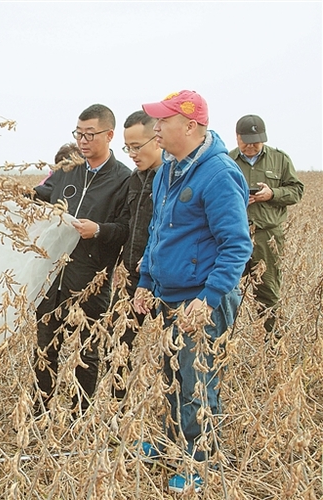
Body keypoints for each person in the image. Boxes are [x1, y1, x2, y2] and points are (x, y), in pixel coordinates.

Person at [132, 91, 253, 493]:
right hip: (168, 295)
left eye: (163, 122)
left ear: (190, 126)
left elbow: (236, 245)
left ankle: (201, 463)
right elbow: (157, 233)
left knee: (196, 382)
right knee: (170, 378)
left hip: (200, 298)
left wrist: (208, 299)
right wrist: (146, 282)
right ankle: (171, 444)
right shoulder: (167, 170)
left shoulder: (218, 173)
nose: (156, 129)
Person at [32, 104, 131, 416]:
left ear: (109, 135)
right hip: (52, 275)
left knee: (88, 350)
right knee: (45, 345)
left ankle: (80, 415)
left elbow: (127, 229)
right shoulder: (69, 170)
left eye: (90, 134)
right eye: (79, 134)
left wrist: (98, 230)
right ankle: (39, 411)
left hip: (92, 279)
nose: (83, 140)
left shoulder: (123, 179)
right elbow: (43, 196)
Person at [228, 115, 304, 334]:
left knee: (268, 293)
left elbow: (297, 190)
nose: (251, 145)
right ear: (237, 137)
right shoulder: (226, 160)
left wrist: (272, 194)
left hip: (267, 237)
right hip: (234, 235)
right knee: (225, 289)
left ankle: (273, 349)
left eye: (256, 140)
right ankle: (221, 345)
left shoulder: (280, 159)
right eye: (247, 140)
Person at [108, 110, 163, 400]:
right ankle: (120, 411)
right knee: (116, 344)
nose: (131, 153)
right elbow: (129, 226)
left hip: (165, 280)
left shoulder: (171, 178)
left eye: (136, 147)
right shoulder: (134, 179)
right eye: (127, 147)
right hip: (132, 277)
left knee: (172, 353)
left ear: (158, 138)